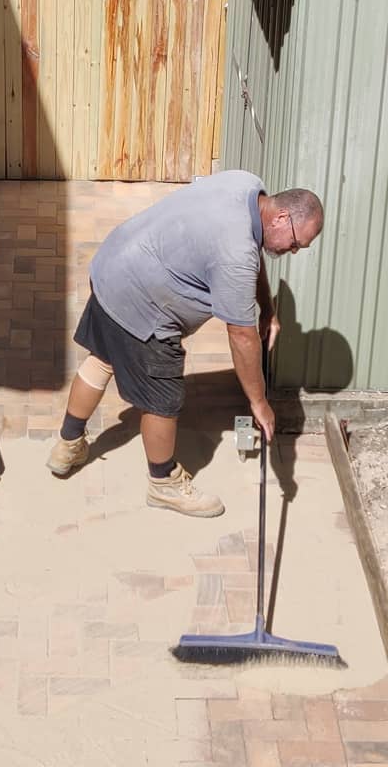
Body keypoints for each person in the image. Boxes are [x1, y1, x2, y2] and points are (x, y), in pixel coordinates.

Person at [45, 170, 325, 517]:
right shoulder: (236, 254)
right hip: (144, 303)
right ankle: (163, 484)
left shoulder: (246, 186)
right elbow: (242, 336)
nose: (294, 251)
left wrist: (267, 306)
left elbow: (254, 252)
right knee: (164, 400)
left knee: (102, 359)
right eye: (297, 243)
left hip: (115, 266)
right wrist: (259, 401)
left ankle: (67, 445)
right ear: (282, 218)